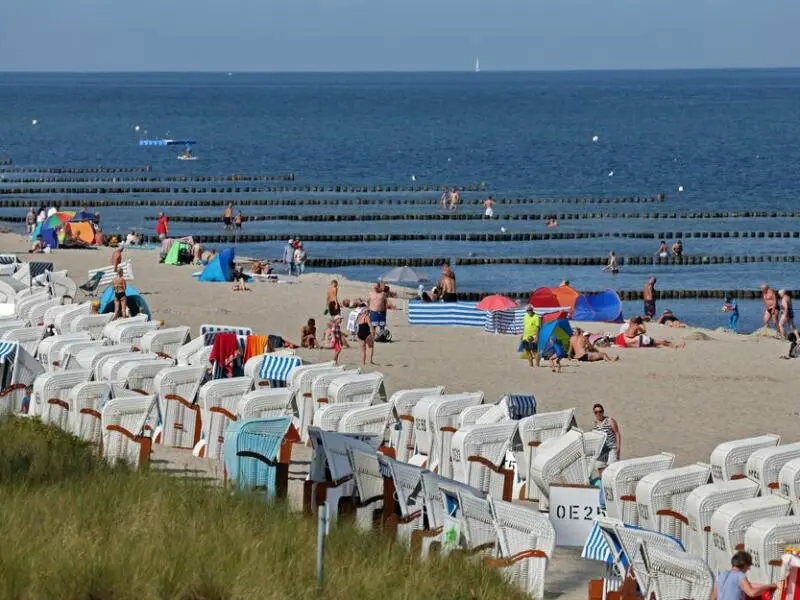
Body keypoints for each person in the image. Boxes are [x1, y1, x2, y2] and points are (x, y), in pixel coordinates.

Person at [710, 551, 776, 600]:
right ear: (744, 564)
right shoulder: (740, 576)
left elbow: (713, 597)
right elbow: (752, 593)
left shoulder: (721, 575)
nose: (749, 568)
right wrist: (769, 586)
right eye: (749, 565)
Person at [592, 404, 621, 472]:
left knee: (611, 469)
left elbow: (617, 433)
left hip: (611, 448)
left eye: (600, 411)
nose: (598, 413)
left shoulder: (609, 420)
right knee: (600, 467)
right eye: (596, 412)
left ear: (603, 411)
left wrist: (618, 447)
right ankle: (603, 482)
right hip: (601, 451)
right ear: (594, 413)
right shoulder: (594, 425)